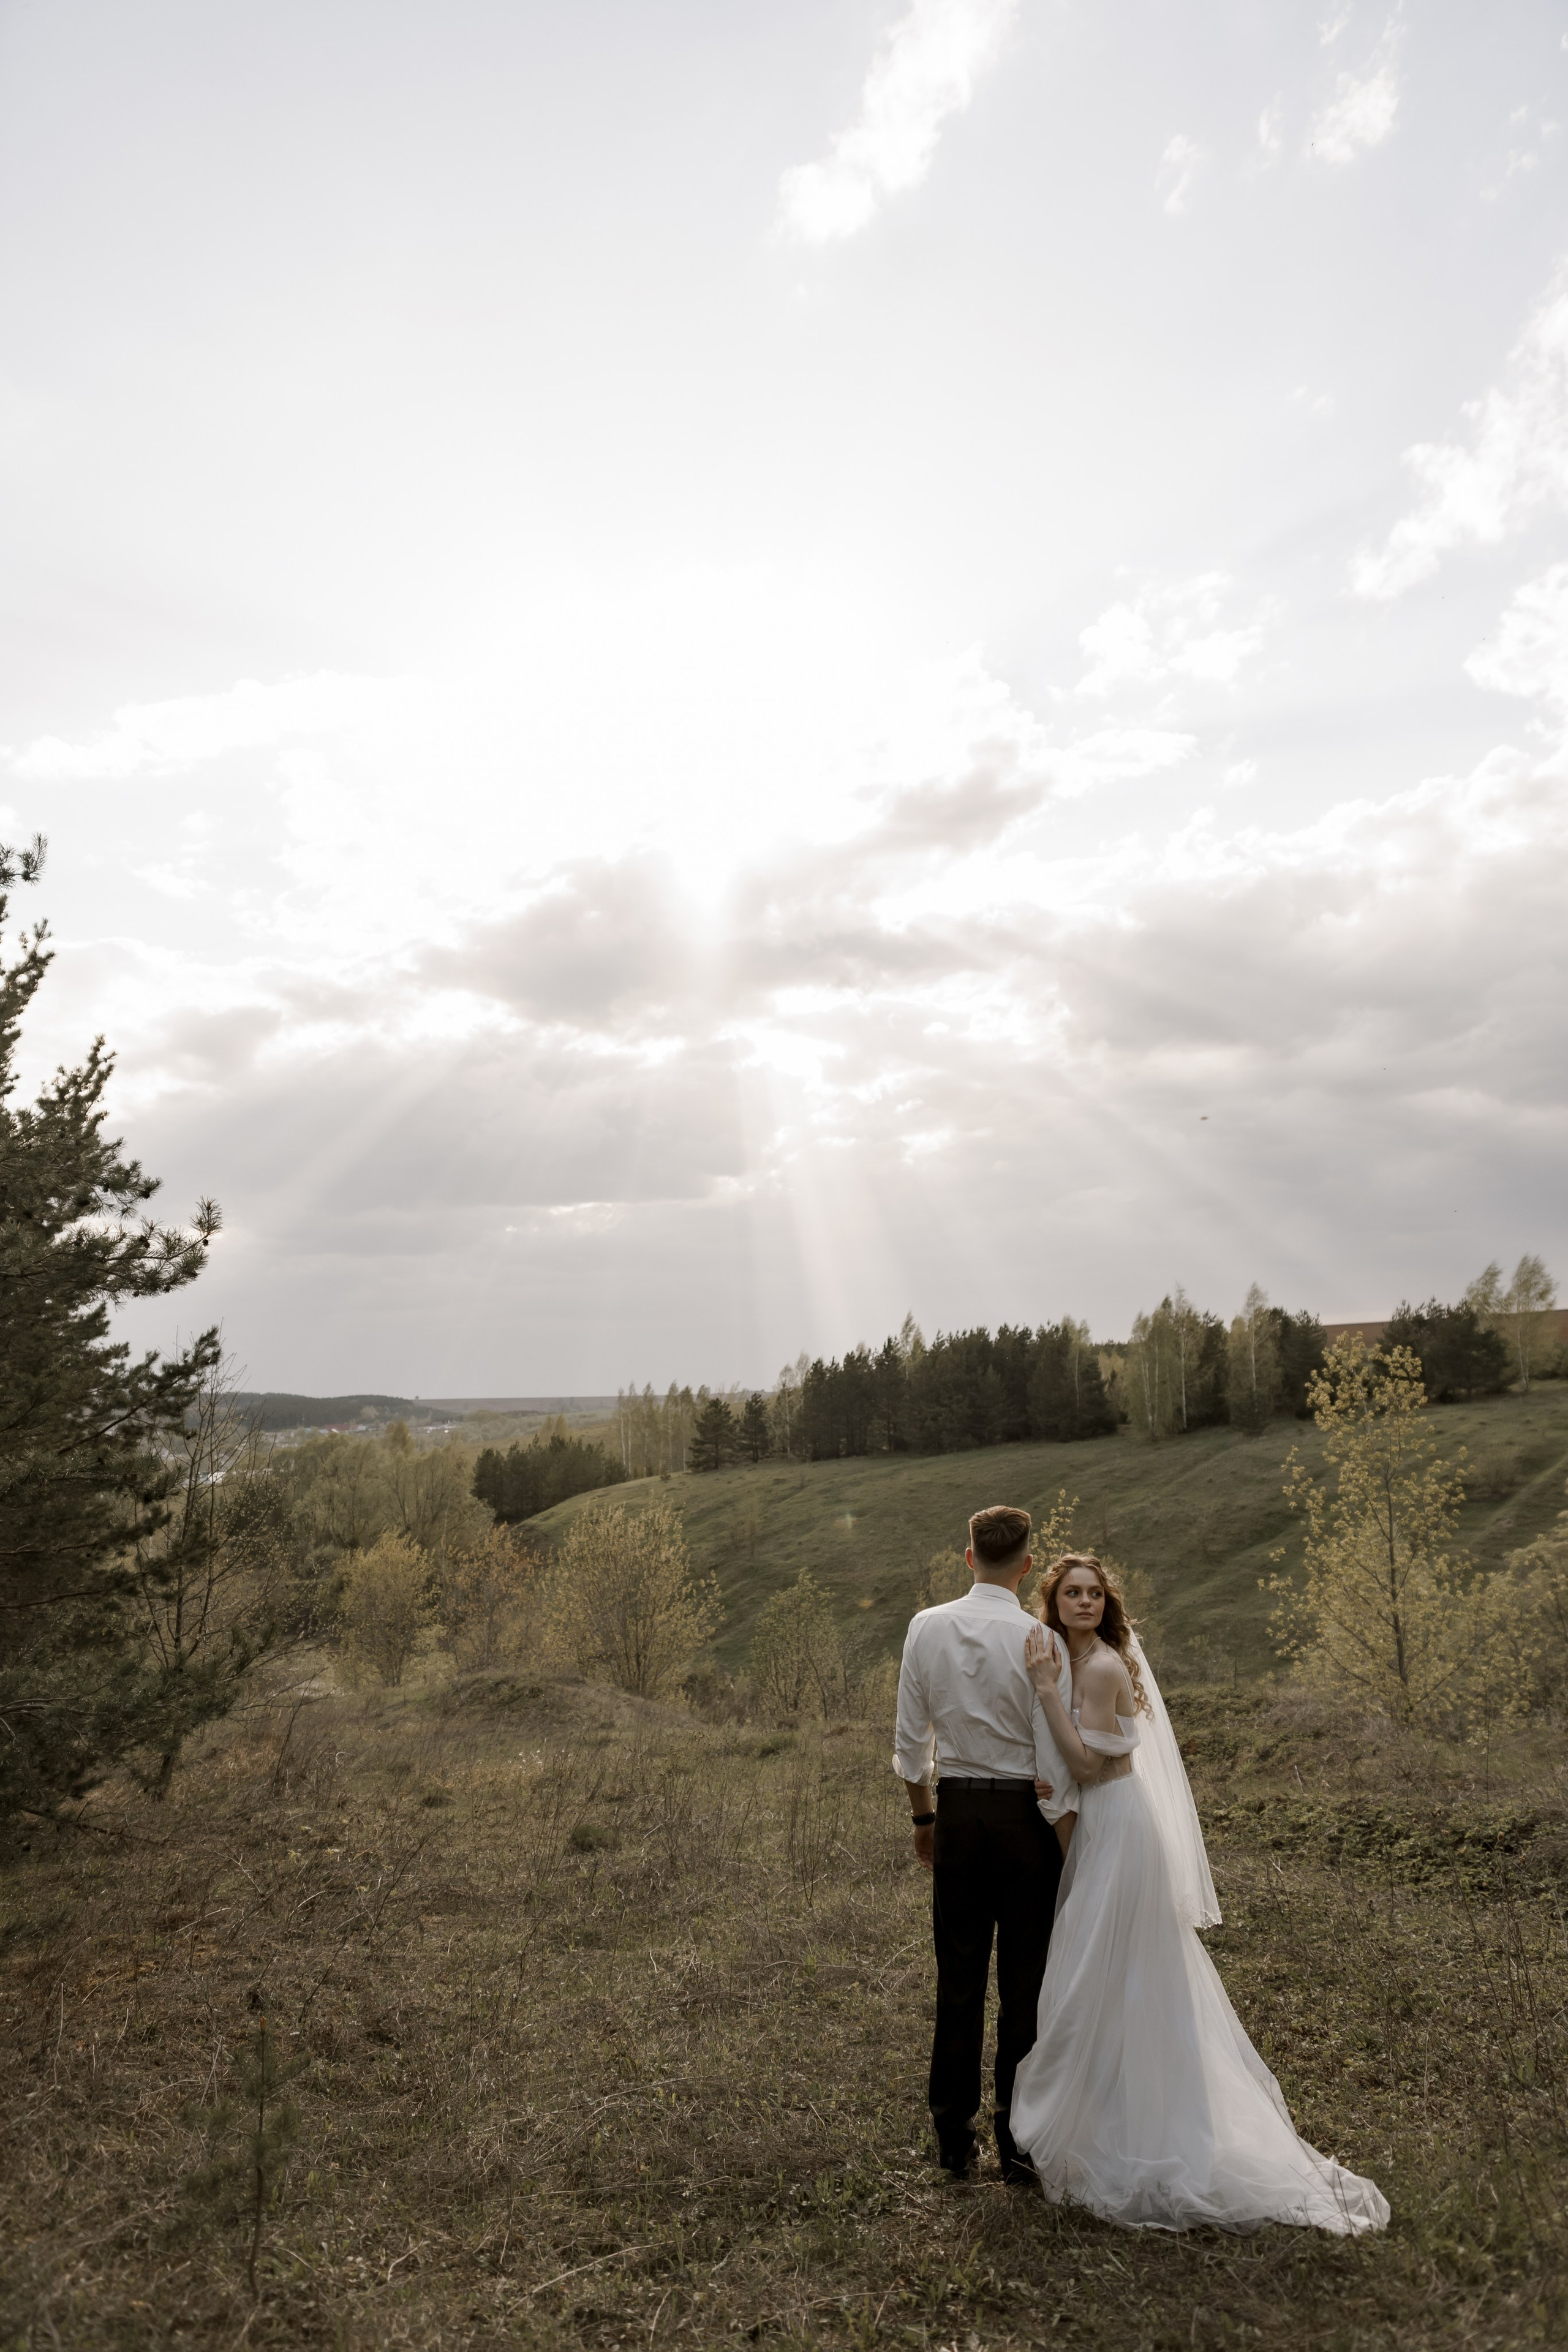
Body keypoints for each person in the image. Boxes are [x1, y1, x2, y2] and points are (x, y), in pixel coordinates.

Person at [1008, 1551, 1390, 2235]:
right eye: (1073, 1593)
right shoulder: (1074, 1660)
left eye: (1095, 1593)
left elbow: (1090, 1764)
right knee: (1107, 1969)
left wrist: (1044, 1696)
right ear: (1053, 1601)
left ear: (1107, 1604)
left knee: (1107, 1970)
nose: (1086, 1603)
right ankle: (1117, 2109)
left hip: (1121, 1828)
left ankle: (1143, 2127)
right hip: (1103, 1828)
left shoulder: (1096, 1667)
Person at [893, 1503, 1076, 2181]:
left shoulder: (925, 1626)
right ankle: (1018, 2140)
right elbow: (1053, 1761)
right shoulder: (1042, 1640)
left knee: (959, 1975)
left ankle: (951, 2136)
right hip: (1025, 1820)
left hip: (960, 1813)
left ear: (968, 1557)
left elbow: (913, 1741)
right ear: (1027, 1567)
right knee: (1025, 1984)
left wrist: (923, 1820)